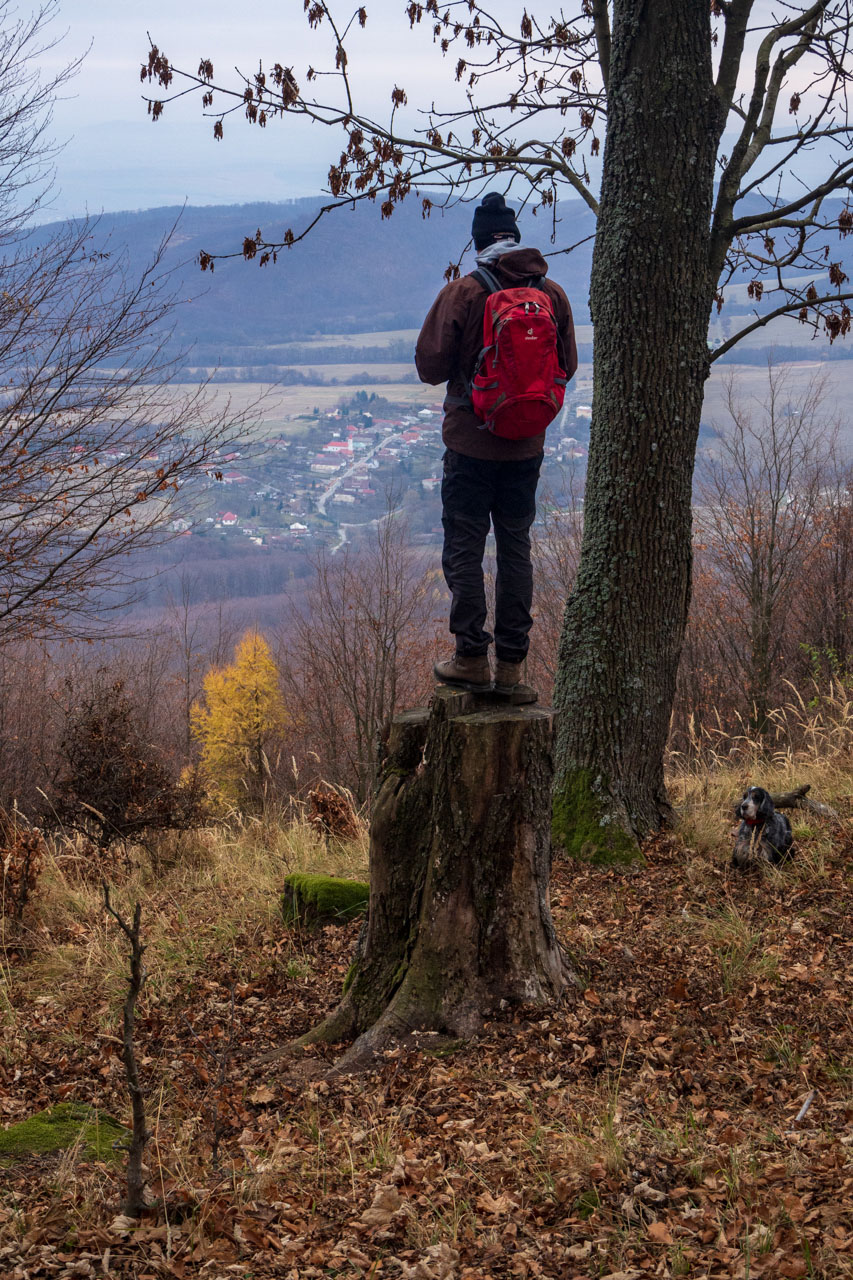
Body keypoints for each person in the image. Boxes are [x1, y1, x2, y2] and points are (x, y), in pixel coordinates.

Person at [415, 192, 578, 700]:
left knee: (465, 546)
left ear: (479, 241)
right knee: (515, 549)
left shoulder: (463, 292)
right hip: (525, 447)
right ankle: (511, 669)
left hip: (468, 445)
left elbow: (429, 368)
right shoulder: (550, 293)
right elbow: (566, 368)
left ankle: (469, 658)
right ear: (513, 239)